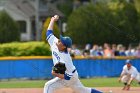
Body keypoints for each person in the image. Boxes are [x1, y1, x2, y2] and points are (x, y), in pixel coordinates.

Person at [43, 15, 103, 93]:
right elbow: (49, 32)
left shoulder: (65, 58)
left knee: (48, 86)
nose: (59, 40)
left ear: (64, 46)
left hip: (69, 76)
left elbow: (67, 77)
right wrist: (53, 20)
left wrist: (56, 74)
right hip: (73, 76)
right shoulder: (55, 42)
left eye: (61, 41)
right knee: (83, 90)